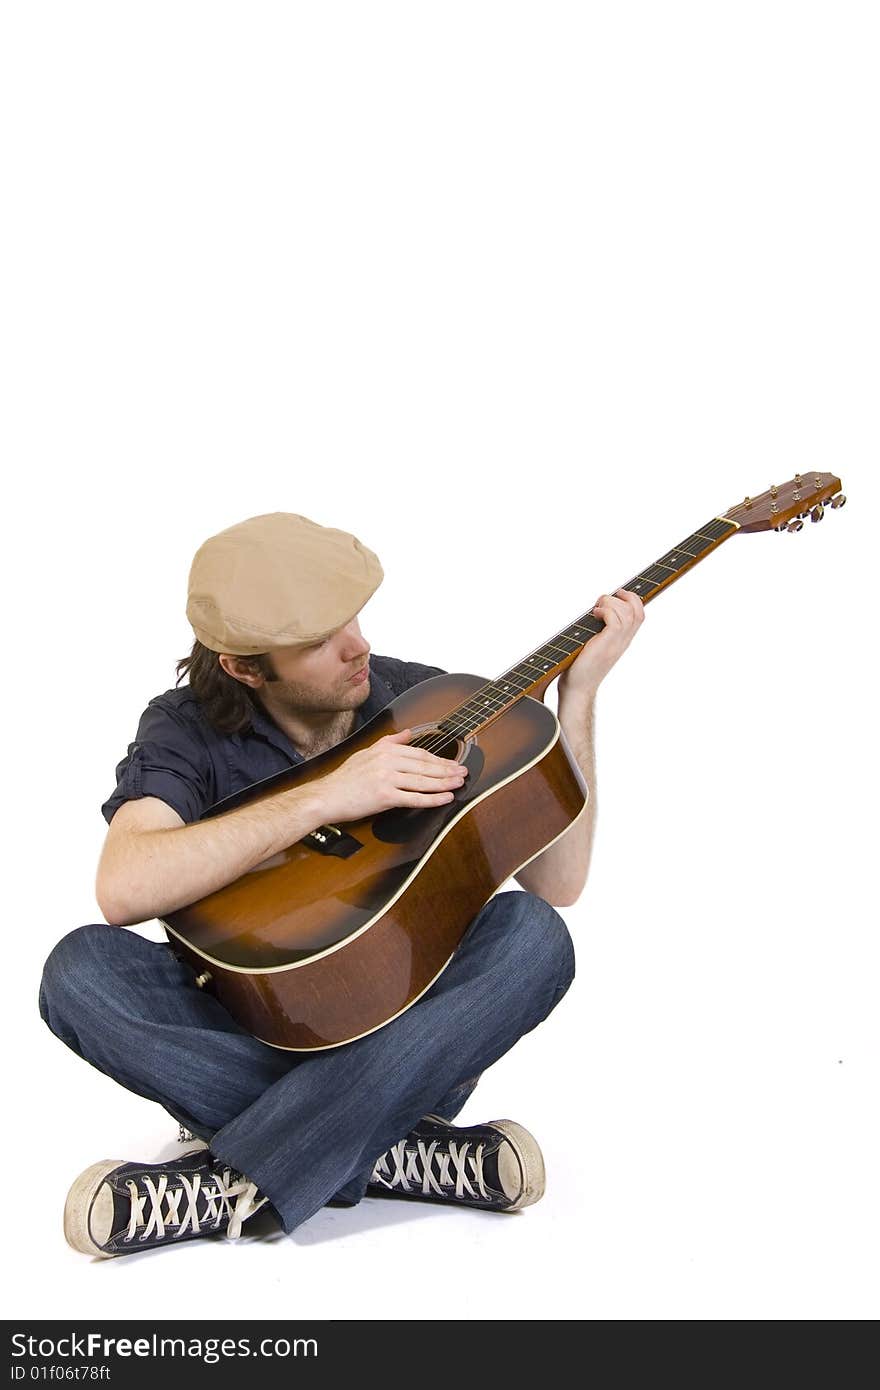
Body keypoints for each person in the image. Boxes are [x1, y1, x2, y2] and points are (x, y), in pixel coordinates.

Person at [39, 511, 644, 1258]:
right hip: (253, 1017)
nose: (358, 646)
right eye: (320, 641)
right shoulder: (185, 728)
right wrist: (328, 796)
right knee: (79, 970)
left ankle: (224, 1185)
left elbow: (560, 881)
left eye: (353, 617)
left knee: (534, 936)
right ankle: (392, 1148)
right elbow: (124, 887)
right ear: (244, 666)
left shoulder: (426, 702)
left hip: (402, 1017)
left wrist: (577, 702)